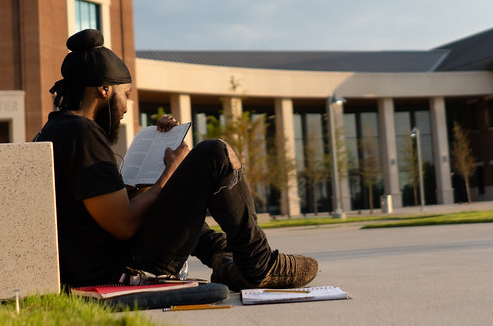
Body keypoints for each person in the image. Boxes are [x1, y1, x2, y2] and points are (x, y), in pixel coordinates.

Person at [34, 29, 318, 290]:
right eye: (126, 95)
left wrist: (161, 155)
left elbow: (111, 212)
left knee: (185, 187)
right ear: (103, 89)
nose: (125, 107)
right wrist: (170, 170)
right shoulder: (81, 132)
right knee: (215, 154)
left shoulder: (57, 129)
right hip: (122, 271)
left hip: (103, 265)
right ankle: (258, 263)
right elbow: (124, 225)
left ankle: (225, 259)